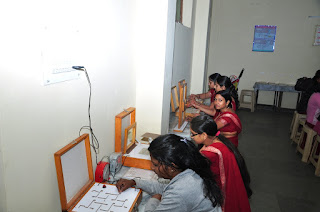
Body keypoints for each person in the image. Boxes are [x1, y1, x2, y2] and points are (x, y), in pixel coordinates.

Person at [116, 134, 223, 212]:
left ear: (172, 167)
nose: (152, 168)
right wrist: (134, 182)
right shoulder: (188, 172)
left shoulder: (182, 191)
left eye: (156, 165)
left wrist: (154, 200)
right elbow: (165, 188)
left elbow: (172, 192)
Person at [190, 115, 252, 212]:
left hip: (223, 192)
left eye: (193, 134)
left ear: (204, 135)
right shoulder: (218, 140)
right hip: (232, 186)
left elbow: (194, 167)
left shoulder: (210, 153)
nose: (191, 137)